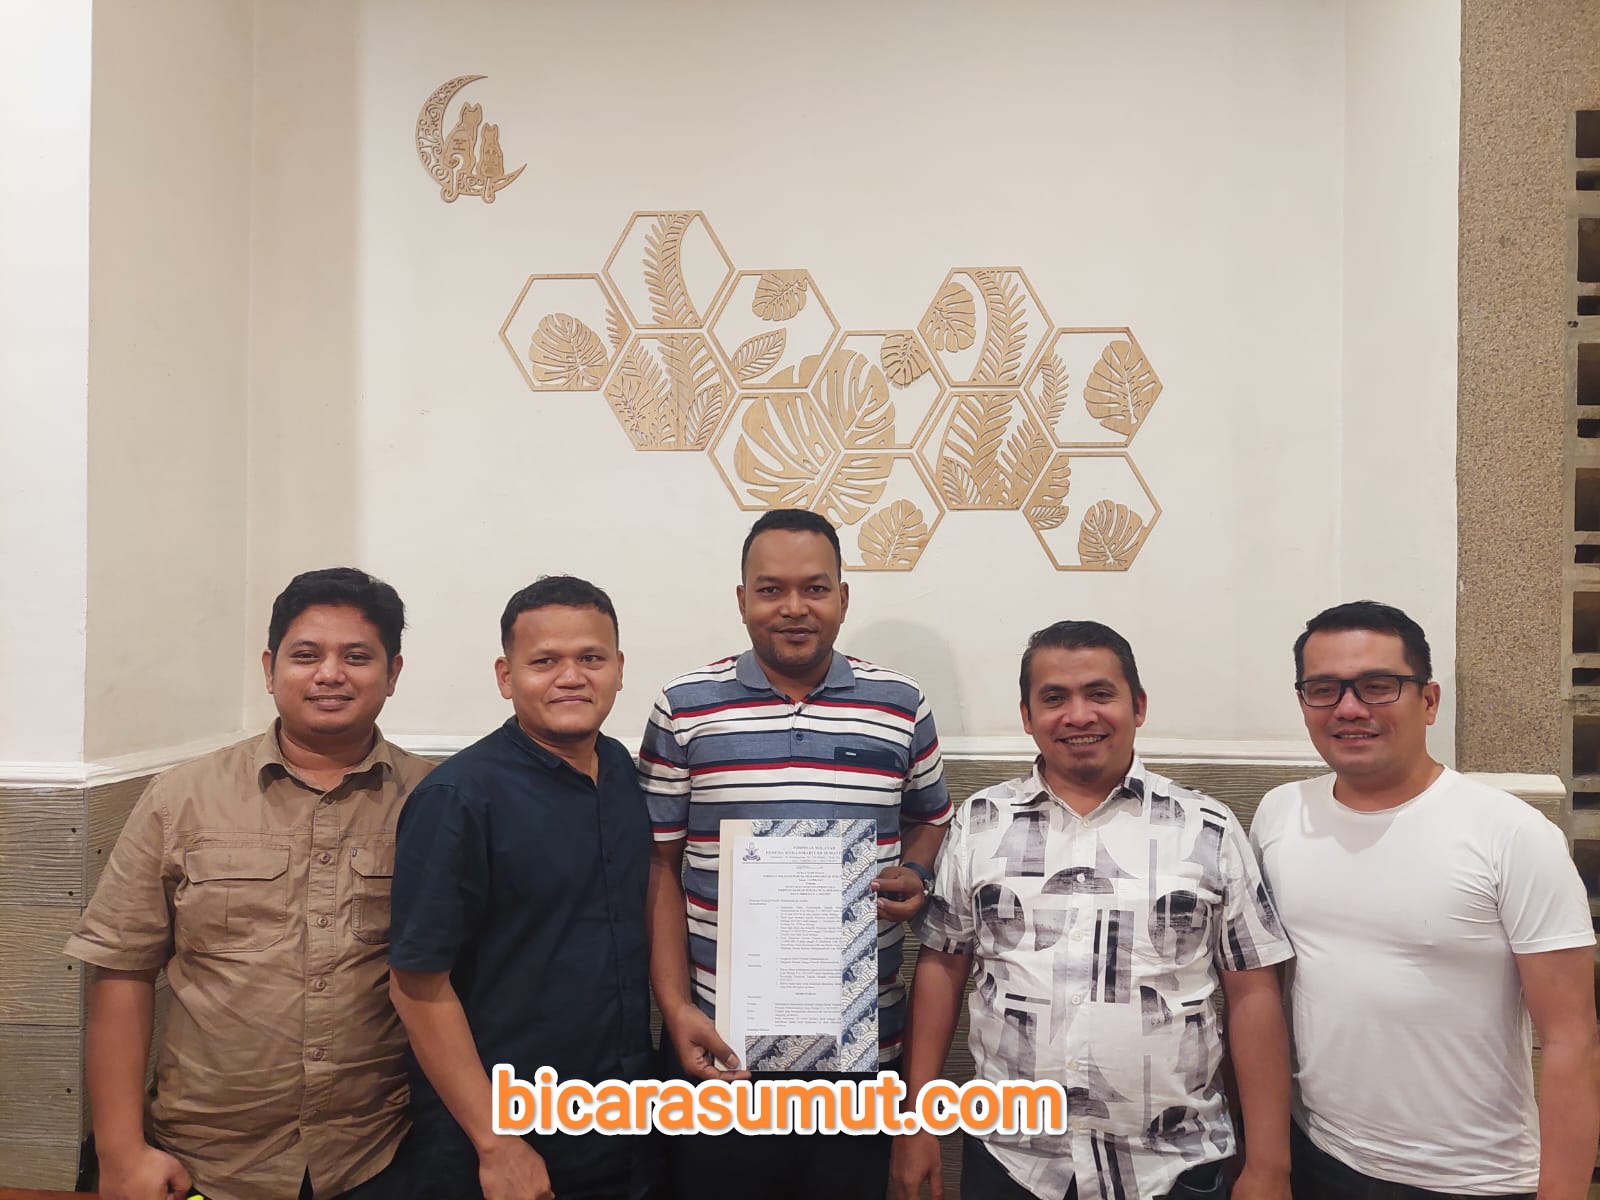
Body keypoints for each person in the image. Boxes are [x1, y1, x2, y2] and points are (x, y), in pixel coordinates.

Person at [893, 620, 1295, 1200]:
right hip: (1013, 1161)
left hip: (1172, 1165)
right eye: (1054, 698)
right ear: (1028, 716)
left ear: (1139, 705)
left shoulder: (1207, 827)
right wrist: (916, 1122)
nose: (1078, 715)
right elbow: (942, 966)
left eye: (1100, 694)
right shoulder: (980, 822)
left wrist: (1269, 1165)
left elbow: (1253, 992)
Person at [65, 567, 432, 1200]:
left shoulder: (435, 800)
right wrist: (121, 1152)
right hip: (205, 1159)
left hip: (379, 1150)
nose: (330, 674)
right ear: (269, 668)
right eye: (306, 655)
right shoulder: (181, 798)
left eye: (357, 656)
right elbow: (122, 969)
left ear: (393, 673)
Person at [640, 507, 952, 1198]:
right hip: (720, 1050)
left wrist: (916, 873)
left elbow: (932, 821)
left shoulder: (900, 705)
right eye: (770, 589)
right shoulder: (685, 708)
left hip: (862, 1048)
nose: (793, 607)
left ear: (843, 596)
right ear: (742, 599)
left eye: (814, 588)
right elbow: (659, 866)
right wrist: (675, 1006)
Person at [1250, 601, 1600, 1200]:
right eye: (1324, 689)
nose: (1349, 708)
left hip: (1473, 1177)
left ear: (1429, 701)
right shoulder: (1280, 813)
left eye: (1378, 686)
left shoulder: (1510, 833)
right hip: (1318, 1152)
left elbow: (1572, 1038)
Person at [388, 576, 653, 1200]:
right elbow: (416, 986)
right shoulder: (457, 798)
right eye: (545, 661)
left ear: (619, 669)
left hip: (622, 1116)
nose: (571, 677)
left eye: (591, 658)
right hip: (502, 1131)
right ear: (506, 677)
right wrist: (496, 1142)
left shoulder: (622, 771)